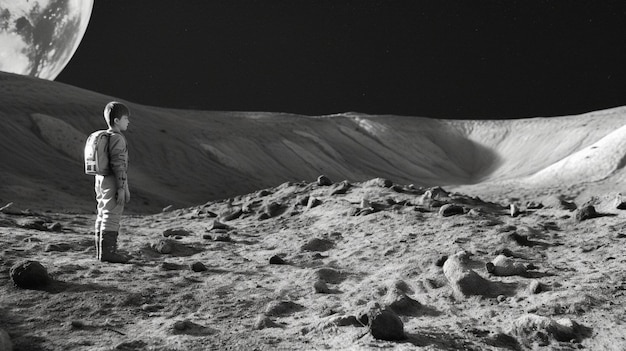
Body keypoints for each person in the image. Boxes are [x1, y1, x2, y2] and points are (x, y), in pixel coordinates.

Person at [94, 101, 131, 263]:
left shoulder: (104, 136)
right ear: (117, 120)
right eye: (125, 118)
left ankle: (100, 251)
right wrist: (121, 187)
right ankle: (109, 253)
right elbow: (119, 164)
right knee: (112, 214)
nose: (128, 121)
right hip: (112, 180)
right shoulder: (117, 139)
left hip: (100, 179)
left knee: (102, 212)